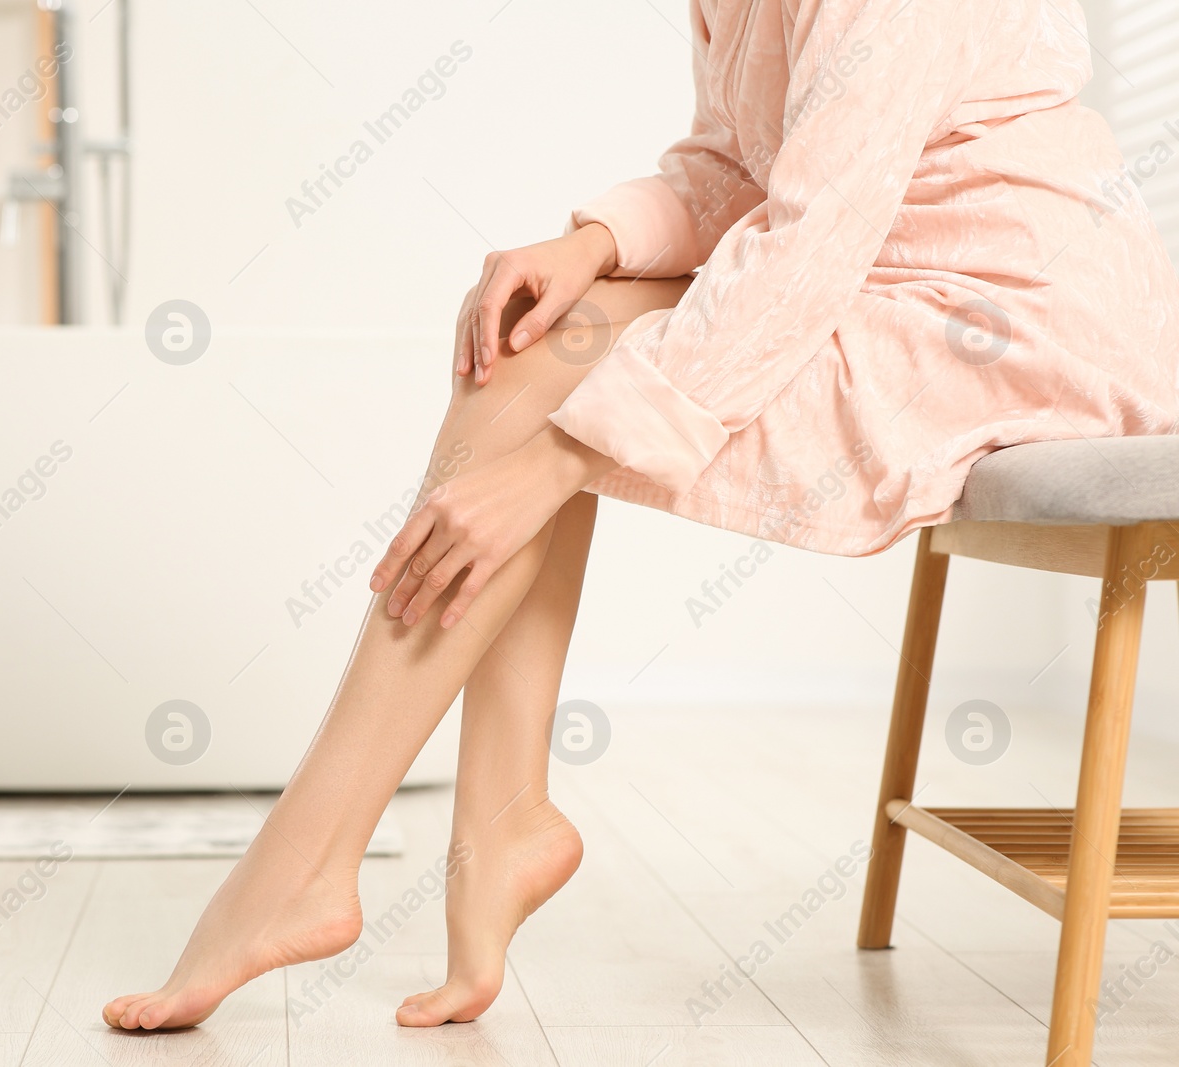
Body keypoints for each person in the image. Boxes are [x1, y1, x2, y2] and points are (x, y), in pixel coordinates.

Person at [106, 0, 1179, 1030]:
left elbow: (812, 232)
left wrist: (565, 454)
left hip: (1008, 320)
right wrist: (595, 246)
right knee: (542, 336)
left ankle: (314, 857)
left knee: (553, 407)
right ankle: (497, 818)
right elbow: (740, 165)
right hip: (879, 272)